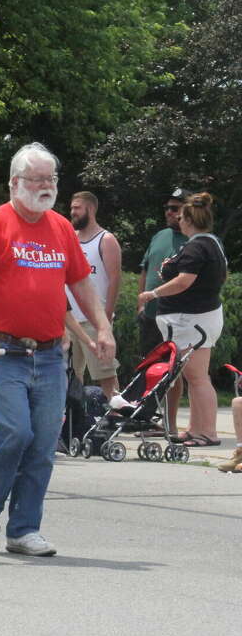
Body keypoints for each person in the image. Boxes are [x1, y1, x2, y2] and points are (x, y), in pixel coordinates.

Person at [0, 141, 113, 557]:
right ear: (15, 183)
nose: (45, 186)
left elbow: (81, 283)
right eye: (36, 179)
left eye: (51, 179)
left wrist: (102, 327)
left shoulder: (61, 227)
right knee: (14, 433)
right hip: (4, 351)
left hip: (49, 355)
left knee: (44, 442)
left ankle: (24, 529)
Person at [140, 192, 226, 447]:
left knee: (198, 377)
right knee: (193, 376)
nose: (177, 218)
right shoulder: (210, 243)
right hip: (195, 319)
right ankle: (195, 428)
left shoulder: (198, 246)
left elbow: (184, 281)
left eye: (181, 215)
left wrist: (153, 293)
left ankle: (207, 432)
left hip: (193, 321)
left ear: (188, 219)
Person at [137, 188, 190, 429]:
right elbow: (145, 270)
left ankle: (171, 425)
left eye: (176, 208)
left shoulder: (196, 239)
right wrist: (140, 303)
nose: (170, 212)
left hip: (178, 316)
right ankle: (146, 419)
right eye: (168, 208)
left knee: (174, 371)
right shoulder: (159, 236)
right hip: (151, 315)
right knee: (149, 370)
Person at [63, 191, 122, 395]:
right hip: (69, 320)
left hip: (93, 321)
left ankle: (116, 413)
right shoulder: (70, 238)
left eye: (77, 208)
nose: (73, 212)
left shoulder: (106, 239)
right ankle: (75, 416)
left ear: (90, 209)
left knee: (105, 372)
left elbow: (115, 280)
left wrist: (105, 318)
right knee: (69, 373)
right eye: (72, 208)